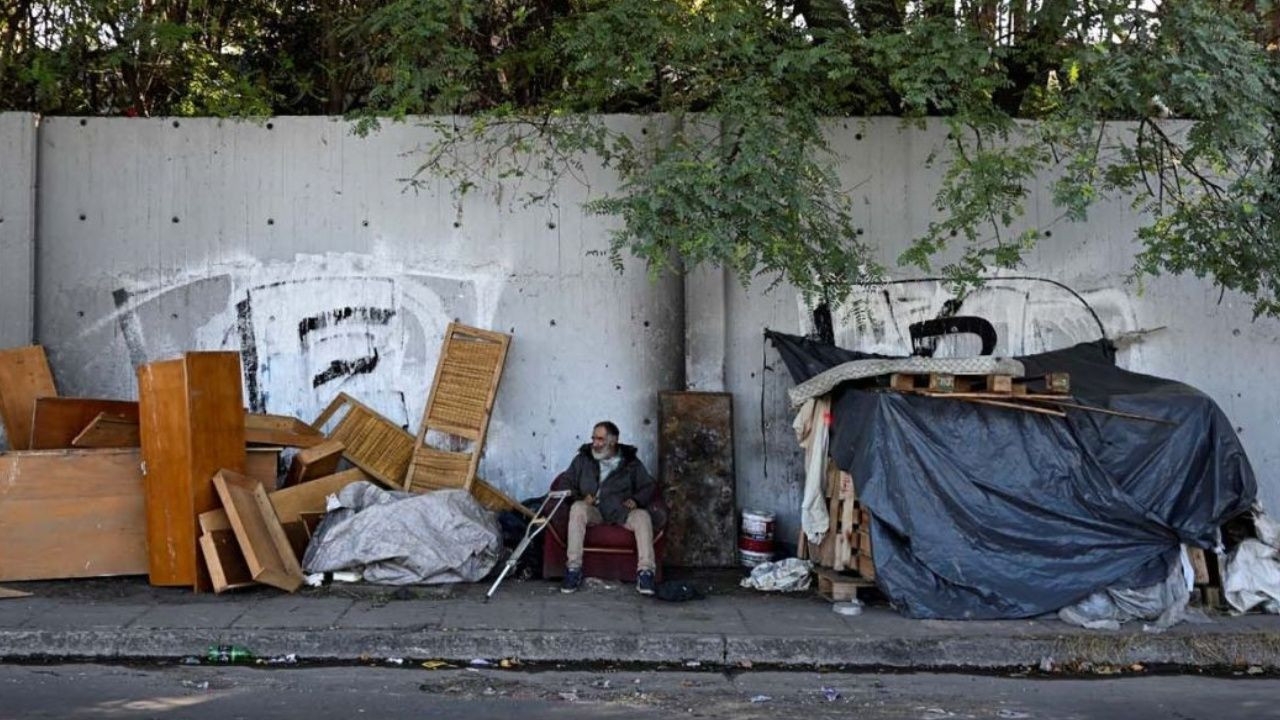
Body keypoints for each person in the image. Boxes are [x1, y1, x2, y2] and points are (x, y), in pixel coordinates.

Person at [560, 421, 658, 595]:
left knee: (642, 516)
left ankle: (645, 573)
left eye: (600, 439)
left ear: (613, 441)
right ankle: (573, 569)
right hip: (594, 510)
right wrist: (581, 497)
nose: (595, 443)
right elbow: (565, 482)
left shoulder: (630, 463)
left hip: (621, 511)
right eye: (593, 438)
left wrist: (636, 500)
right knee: (577, 508)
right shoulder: (583, 459)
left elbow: (648, 485)